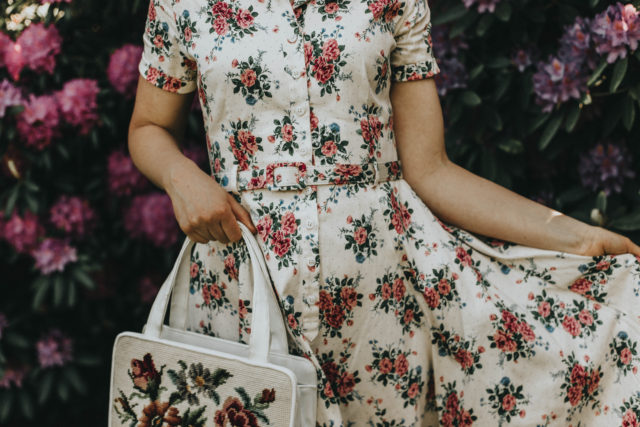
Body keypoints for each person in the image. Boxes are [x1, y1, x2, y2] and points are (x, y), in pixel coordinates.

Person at [127, 0, 640, 424]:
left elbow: (430, 169)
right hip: (240, 284)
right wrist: (181, 177)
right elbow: (148, 127)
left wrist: (579, 240)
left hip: (380, 299)